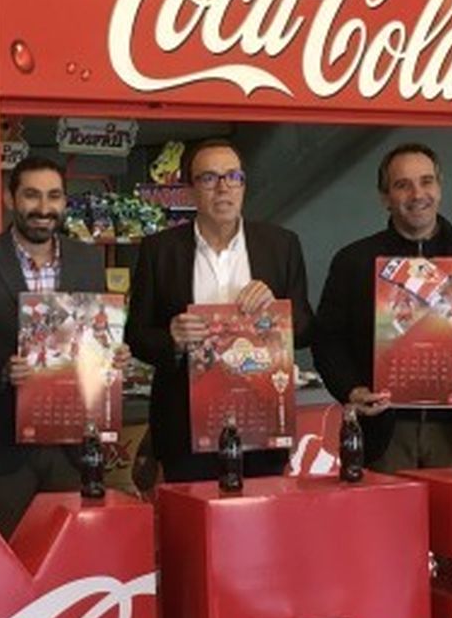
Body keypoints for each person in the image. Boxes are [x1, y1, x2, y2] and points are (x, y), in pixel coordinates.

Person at [313, 142, 452, 471]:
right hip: (385, 432)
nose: (417, 194)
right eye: (402, 185)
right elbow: (326, 340)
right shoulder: (354, 261)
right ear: (385, 198)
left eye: (426, 181)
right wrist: (351, 390)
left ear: (439, 189)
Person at [0, 156, 124, 537]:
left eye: (54, 196)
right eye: (31, 195)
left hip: (73, 446)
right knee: (4, 555)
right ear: (10, 199)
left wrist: (111, 354)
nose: (44, 208)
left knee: (69, 557)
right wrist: (1, 368)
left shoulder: (88, 259)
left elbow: (91, 338)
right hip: (3, 448)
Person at [125, 138, 314, 482]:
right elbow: (135, 335)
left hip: (262, 421)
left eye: (233, 177)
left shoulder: (281, 245)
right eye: (209, 178)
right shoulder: (159, 250)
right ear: (190, 190)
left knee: (262, 513)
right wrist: (172, 338)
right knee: (191, 514)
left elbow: (305, 328)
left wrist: (277, 311)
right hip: (186, 428)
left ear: (243, 184)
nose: (223, 187)